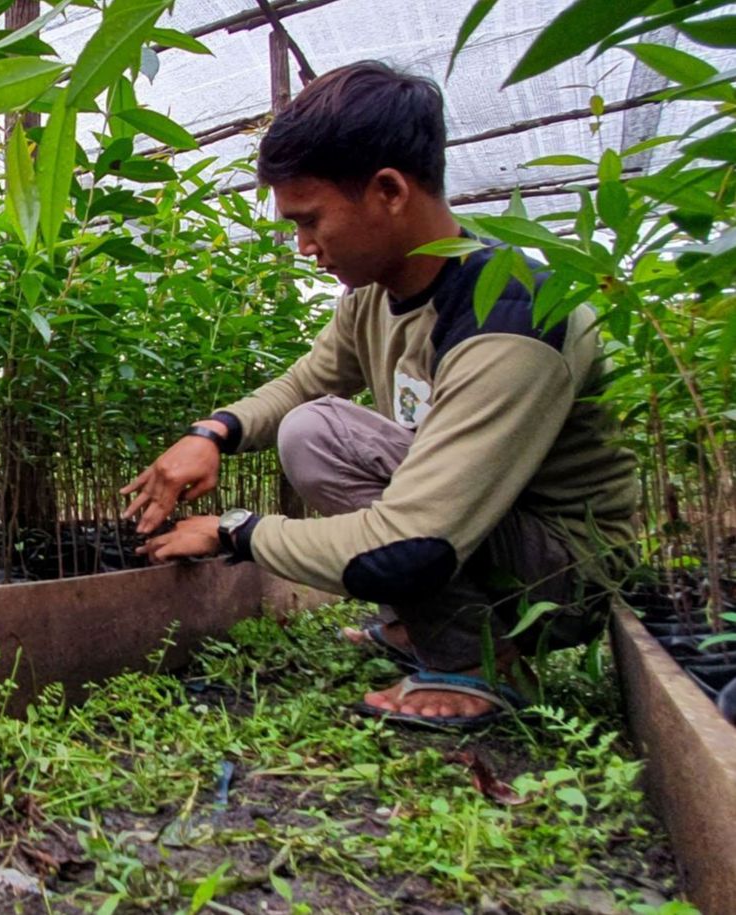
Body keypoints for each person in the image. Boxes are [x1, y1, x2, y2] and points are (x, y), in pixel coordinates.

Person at [120, 62, 638, 730]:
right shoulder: (374, 296)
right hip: (478, 529)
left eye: (310, 221)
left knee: (316, 437)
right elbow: (307, 381)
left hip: (562, 576)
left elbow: (411, 544)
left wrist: (233, 531)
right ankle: (417, 626)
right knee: (312, 422)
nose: (304, 247)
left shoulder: (509, 312)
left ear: (389, 191)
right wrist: (212, 432)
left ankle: (480, 664)